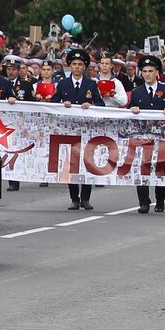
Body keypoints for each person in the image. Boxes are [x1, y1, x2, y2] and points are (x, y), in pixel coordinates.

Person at [51, 48, 105, 211]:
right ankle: (74, 198)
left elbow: (101, 104)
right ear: (69, 66)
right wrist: (62, 105)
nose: (76, 67)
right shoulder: (63, 84)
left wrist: (92, 106)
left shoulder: (91, 84)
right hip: (69, 130)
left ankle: (85, 198)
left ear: (85, 67)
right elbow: (52, 103)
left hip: (87, 129)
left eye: (80, 64)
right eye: (74, 64)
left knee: (87, 163)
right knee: (71, 164)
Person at [127, 54, 165, 214]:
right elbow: (128, 112)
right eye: (145, 71)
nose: (148, 74)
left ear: (157, 72)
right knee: (141, 167)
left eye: (151, 71)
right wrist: (133, 109)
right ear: (141, 73)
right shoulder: (136, 93)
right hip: (142, 137)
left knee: (160, 168)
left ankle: (160, 200)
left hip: (162, 137)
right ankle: (143, 202)